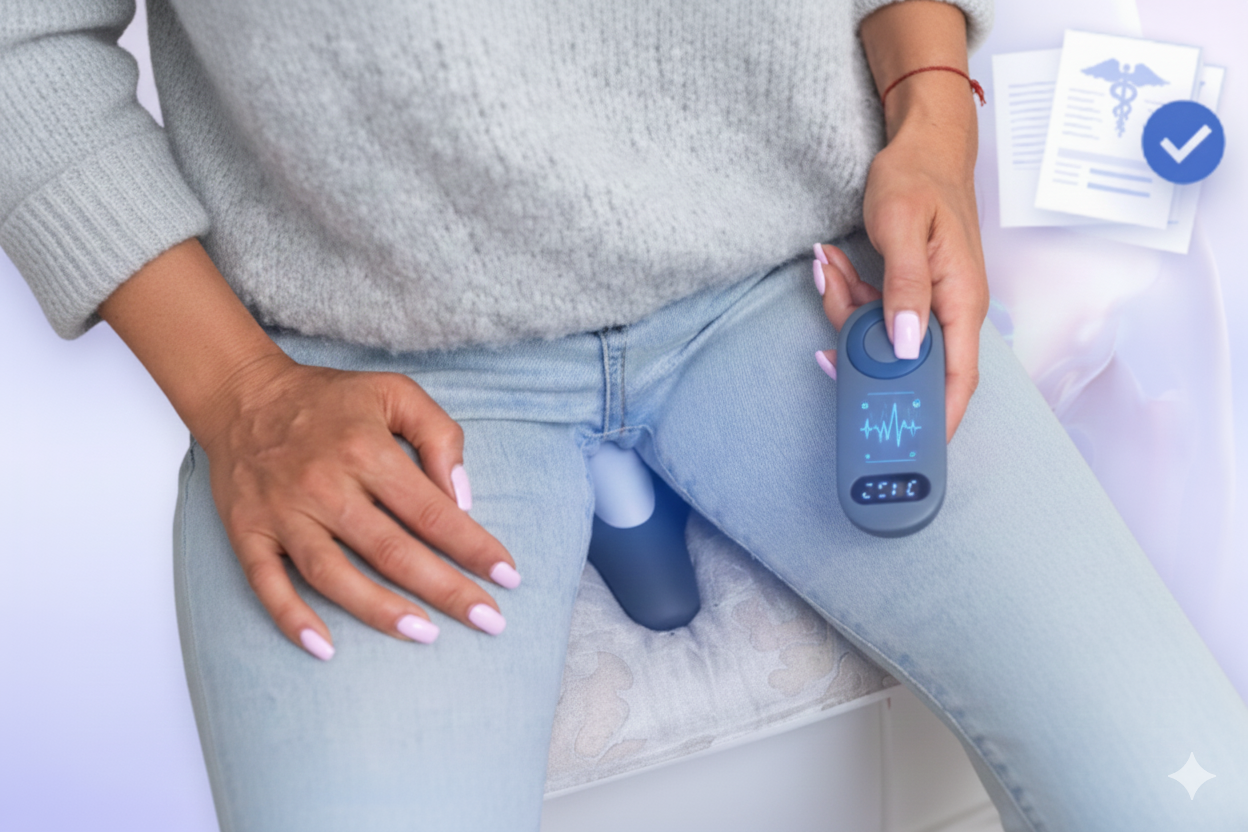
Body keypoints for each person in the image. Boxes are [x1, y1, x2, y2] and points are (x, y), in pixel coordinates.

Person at [2, 1, 1246, 830]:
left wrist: (933, 121)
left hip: (800, 274)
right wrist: (244, 395)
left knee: (1188, 800)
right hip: (369, 357)